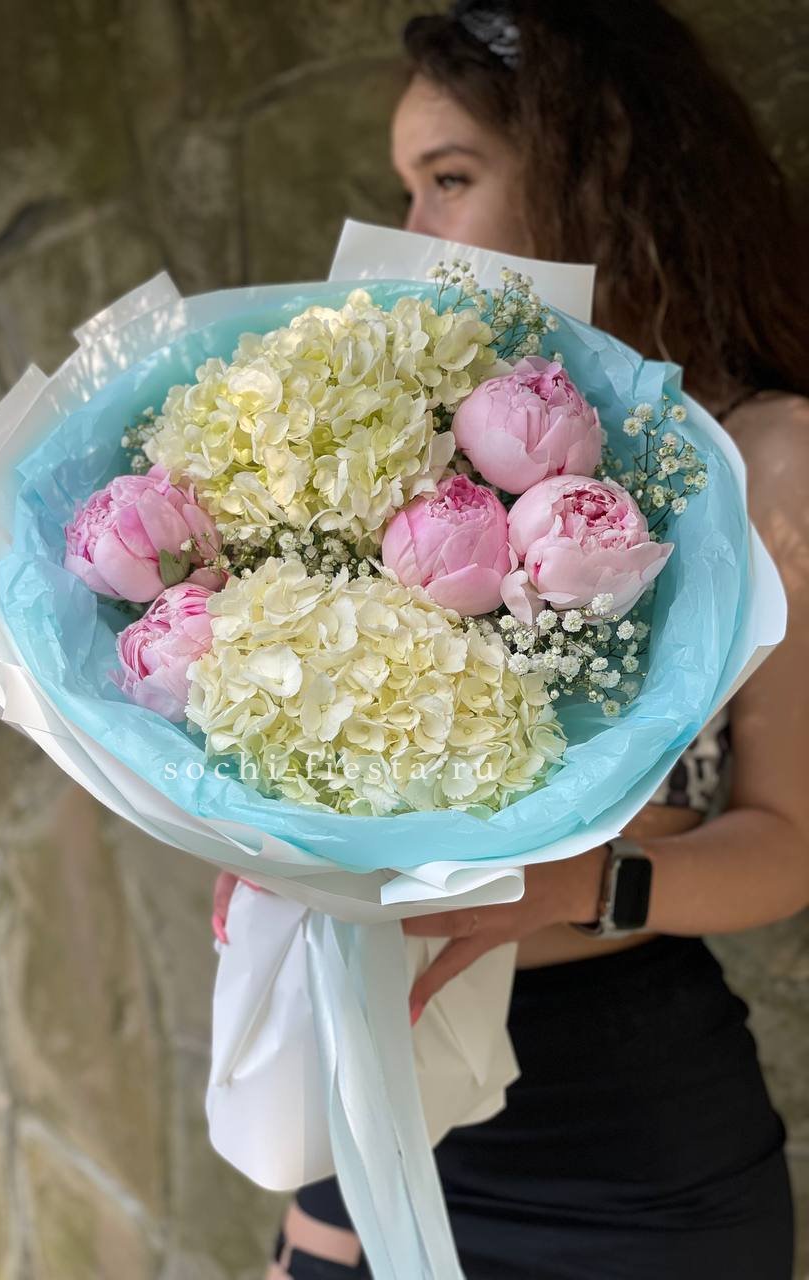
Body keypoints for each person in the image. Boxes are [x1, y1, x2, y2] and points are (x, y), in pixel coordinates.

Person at [215, 2, 809, 1275]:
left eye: (450, 179)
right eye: (406, 186)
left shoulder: (766, 455)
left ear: (592, 174)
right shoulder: (384, 438)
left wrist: (577, 884)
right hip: (378, 1070)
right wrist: (273, 846)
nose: (412, 228)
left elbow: (789, 842)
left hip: (626, 1138)